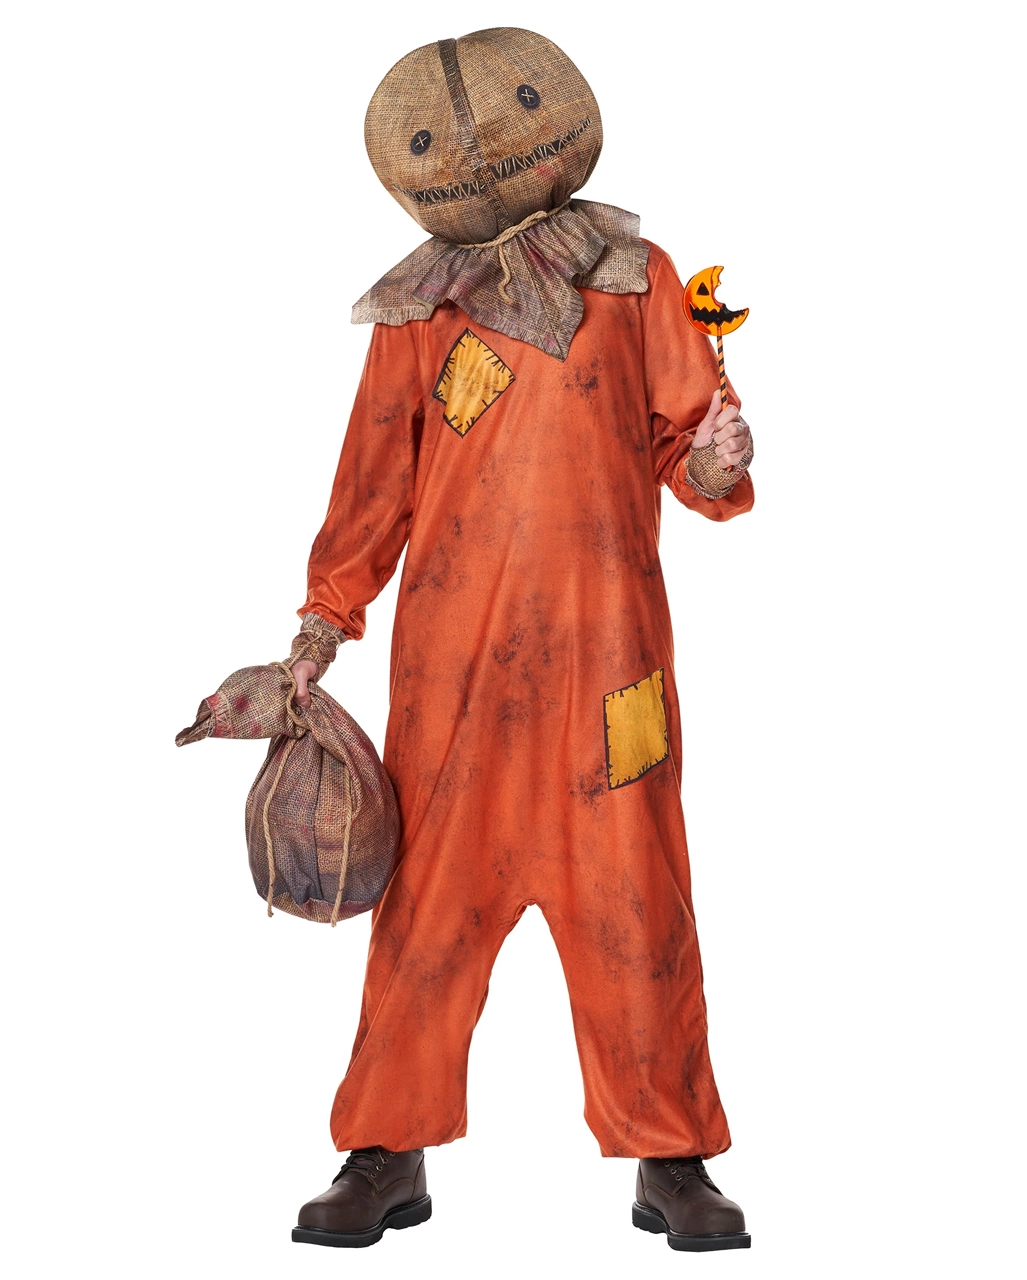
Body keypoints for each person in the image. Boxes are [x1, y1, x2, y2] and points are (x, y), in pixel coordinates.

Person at [286, 28, 754, 1253]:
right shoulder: (417, 308)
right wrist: (323, 619)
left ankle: (671, 1154)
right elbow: (373, 480)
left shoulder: (636, 278)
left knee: (639, 906)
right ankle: (385, 1147)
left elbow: (684, 439)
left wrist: (714, 456)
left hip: (609, 668)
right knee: (423, 911)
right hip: (452, 678)